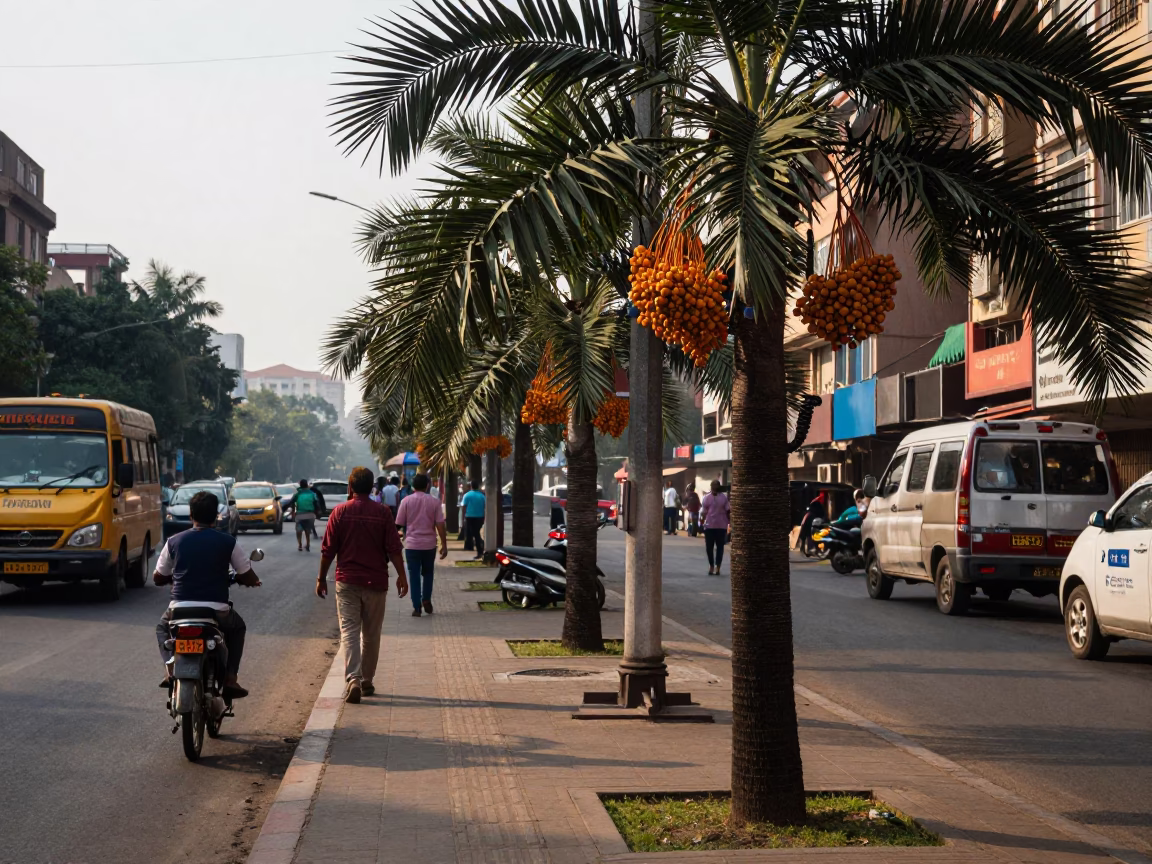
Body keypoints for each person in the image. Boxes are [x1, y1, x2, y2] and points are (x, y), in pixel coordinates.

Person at [153, 490, 260, 699]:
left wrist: (172, 578)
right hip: (216, 611)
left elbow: (158, 577)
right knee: (237, 628)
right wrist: (252, 581)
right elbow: (246, 575)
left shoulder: (174, 541)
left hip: (179, 610)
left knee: (162, 628)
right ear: (216, 516)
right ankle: (230, 679)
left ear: (191, 515)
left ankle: (170, 669)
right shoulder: (228, 541)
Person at [316, 467, 409, 704]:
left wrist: (321, 578)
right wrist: (402, 575)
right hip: (376, 581)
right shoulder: (383, 513)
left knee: (349, 632)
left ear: (350, 487)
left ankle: (353, 678)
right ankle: (367, 679)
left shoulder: (339, 512)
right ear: (372, 488)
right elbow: (393, 548)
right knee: (371, 634)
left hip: (347, 581)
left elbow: (328, 550)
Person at [395, 473, 448, 617]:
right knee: (428, 573)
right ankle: (426, 599)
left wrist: (394, 544)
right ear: (427, 485)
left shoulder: (406, 501)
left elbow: (398, 524)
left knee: (414, 575)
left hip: (412, 545)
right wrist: (444, 544)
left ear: (413, 486)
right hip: (429, 545)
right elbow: (440, 524)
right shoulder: (434, 502)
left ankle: (416, 606)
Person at [700, 480, 731, 575]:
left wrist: (730, 523)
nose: (714, 487)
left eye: (715, 486)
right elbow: (703, 512)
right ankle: (713, 566)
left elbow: (728, 510)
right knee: (711, 547)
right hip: (711, 526)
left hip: (718, 526)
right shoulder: (707, 497)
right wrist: (701, 523)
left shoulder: (722, 497)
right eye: (713, 485)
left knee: (718, 547)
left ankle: (716, 567)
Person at [290, 479, 321, 552]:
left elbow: (292, 502)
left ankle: (300, 545)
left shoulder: (298, 494)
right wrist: (317, 512)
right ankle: (308, 544)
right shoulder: (313, 494)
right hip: (310, 515)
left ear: (300, 485)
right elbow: (317, 503)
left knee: (299, 531)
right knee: (307, 530)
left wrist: (293, 512)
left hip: (300, 515)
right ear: (307, 485)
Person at [461, 480, 486, 559]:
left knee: (475, 534)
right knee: (476, 533)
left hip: (470, 517)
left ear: (471, 486)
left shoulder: (467, 495)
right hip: (480, 517)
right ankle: (479, 549)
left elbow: (464, 507)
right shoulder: (482, 496)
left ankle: (480, 551)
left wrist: (463, 517)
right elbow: (485, 507)